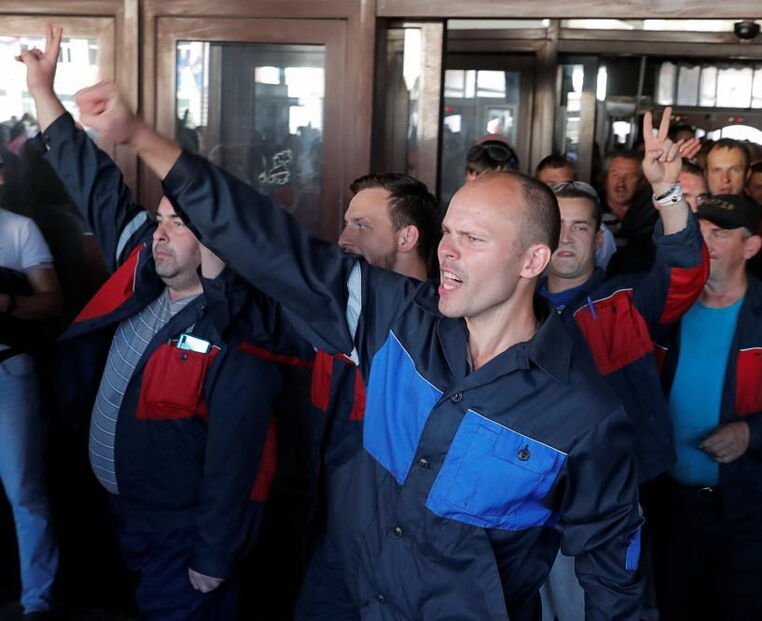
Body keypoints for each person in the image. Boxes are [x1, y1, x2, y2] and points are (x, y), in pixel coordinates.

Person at [74, 79, 645, 620]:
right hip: (343, 591)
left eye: (472, 239)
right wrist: (144, 139)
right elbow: (277, 245)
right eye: (447, 232)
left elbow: (614, 574)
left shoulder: (584, 415)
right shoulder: (396, 319)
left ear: (532, 261)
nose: (446, 252)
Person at [20, 27, 282, 620]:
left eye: (179, 224)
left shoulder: (239, 329)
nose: (160, 232)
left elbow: (237, 460)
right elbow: (93, 182)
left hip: (183, 535)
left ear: (217, 237)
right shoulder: (142, 261)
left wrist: (213, 554)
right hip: (116, 515)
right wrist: (43, 91)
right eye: (159, 217)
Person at [537, 108, 708, 621]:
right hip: (529, 488)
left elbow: (685, 271)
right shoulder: (510, 309)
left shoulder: (624, 302)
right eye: (556, 227)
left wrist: (668, 192)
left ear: (598, 239)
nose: (566, 238)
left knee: (613, 604)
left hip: (612, 491)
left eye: (580, 228)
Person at [653, 194, 762, 621]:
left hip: (749, 508)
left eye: (720, 234)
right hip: (670, 505)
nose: (705, 242)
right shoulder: (664, 311)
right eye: (700, 232)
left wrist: (751, 433)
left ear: (751, 248)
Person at [294, 172, 440, 620]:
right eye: (345, 223)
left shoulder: (438, 331)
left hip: (399, 539)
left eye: (361, 225)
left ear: (407, 236)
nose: (343, 238)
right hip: (331, 525)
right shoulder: (336, 310)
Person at [0, 200, 62, 620]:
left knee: (25, 490)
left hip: (7, 367)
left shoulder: (19, 228)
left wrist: (7, 305)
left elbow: (53, 301)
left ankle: (36, 603)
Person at [534, 154, 617, 271]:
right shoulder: (526, 226)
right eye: (552, 186)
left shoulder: (598, 232)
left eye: (566, 185)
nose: (560, 190)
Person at [601, 150, 658, 274]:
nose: (621, 183)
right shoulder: (593, 212)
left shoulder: (652, 213)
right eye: (615, 175)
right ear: (605, 178)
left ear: (642, 183)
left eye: (630, 177)